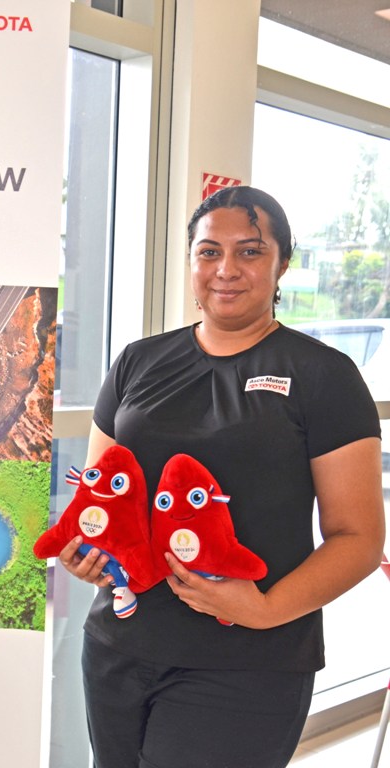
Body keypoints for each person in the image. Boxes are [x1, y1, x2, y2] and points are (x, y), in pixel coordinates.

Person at [59, 186, 385, 768]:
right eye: (209, 252)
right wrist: (86, 553)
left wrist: (262, 609)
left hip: (250, 661)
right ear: (191, 262)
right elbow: (104, 500)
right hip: (119, 645)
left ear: (283, 262)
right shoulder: (138, 362)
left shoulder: (324, 376)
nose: (227, 270)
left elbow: (358, 538)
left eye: (250, 252)